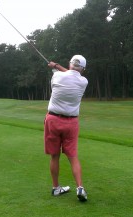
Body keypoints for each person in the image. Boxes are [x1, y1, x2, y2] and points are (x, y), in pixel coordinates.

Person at [44, 55, 88, 202]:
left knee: (54, 156)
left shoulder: (57, 77)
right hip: (71, 123)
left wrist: (55, 66)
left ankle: (56, 188)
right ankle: (80, 187)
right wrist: (57, 65)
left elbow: (66, 73)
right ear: (83, 69)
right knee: (73, 156)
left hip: (53, 120)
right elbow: (73, 73)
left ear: (70, 64)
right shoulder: (83, 82)